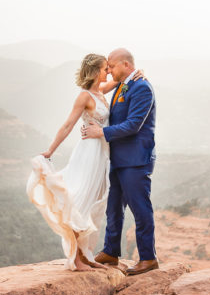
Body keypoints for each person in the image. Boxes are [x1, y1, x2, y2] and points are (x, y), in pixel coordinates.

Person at [27, 53, 118, 272]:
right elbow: (68, 125)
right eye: (106, 68)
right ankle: (76, 259)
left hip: (102, 155)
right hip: (88, 153)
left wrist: (136, 74)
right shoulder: (85, 96)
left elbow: (121, 79)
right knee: (81, 202)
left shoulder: (101, 92)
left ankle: (86, 254)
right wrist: (50, 150)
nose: (109, 72)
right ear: (96, 71)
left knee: (95, 203)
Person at [82, 47, 158, 276]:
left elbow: (134, 124)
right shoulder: (124, 84)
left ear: (126, 65)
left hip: (136, 160)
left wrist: (101, 133)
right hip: (117, 158)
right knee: (113, 208)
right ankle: (111, 251)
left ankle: (148, 258)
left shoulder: (142, 88)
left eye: (112, 66)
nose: (109, 70)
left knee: (140, 209)